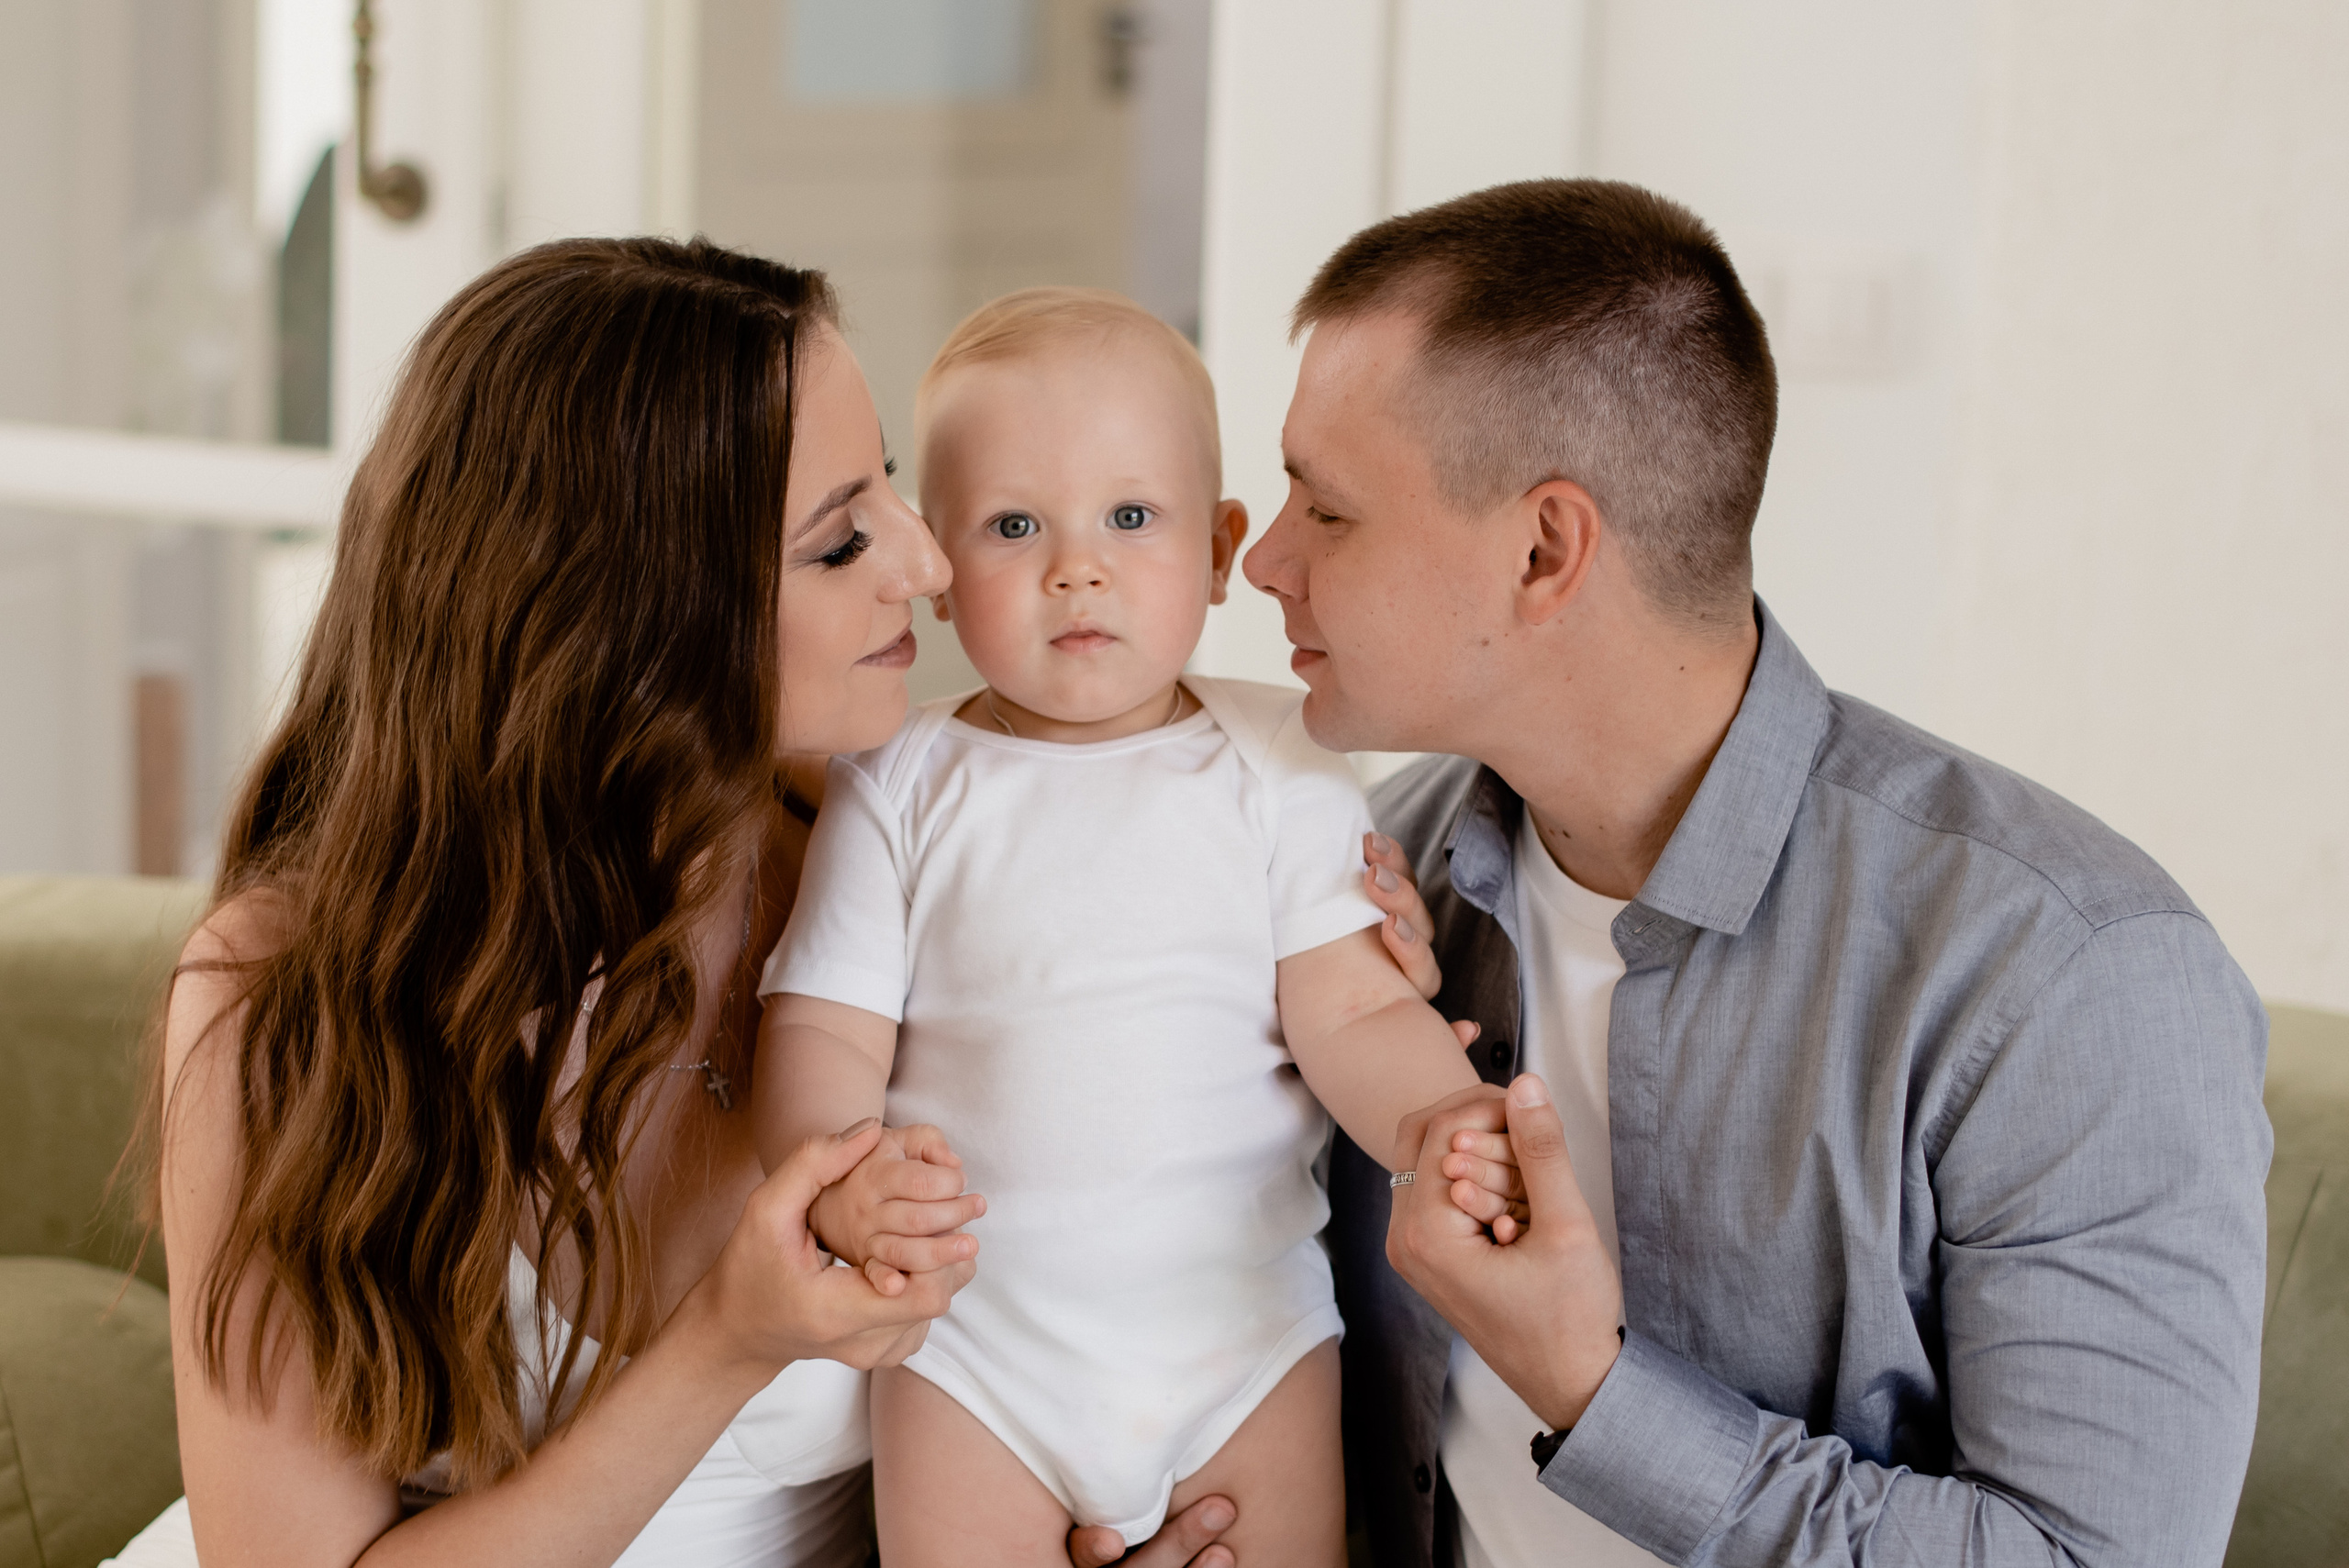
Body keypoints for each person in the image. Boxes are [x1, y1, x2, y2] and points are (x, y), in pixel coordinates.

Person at [1241, 180, 2274, 1568]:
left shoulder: (2070, 975)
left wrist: (1596, 1390)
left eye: (1330, 507)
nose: (1262, 559)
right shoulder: (1364, 880)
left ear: (1545, 549)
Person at [119, 236, 1027, 1568]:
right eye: (838, 540)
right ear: (631, 625)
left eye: (884, 483)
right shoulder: (284, 1000)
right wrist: (727, 1340)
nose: (927, 564)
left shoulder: (902, 848)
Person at [753, 288, 1511, 1567]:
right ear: (936, 566)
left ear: (1220, 549)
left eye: (1130, 516)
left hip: (1244, 1343)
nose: (1076, 566)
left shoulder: (1281, 752)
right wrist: (840, 1177)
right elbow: (822, 1024)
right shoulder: (900, 780)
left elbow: (1359, 1006)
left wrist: (1436, 1118)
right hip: (970, 1353)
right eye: (1012, 525)